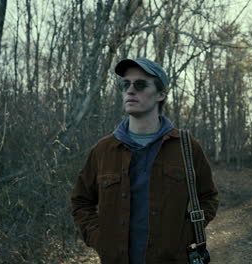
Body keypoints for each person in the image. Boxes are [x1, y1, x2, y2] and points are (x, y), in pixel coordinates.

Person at [70, 58, 219, 264]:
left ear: (161, 94)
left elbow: (208, 197)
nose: (130, 90)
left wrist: (186, 234)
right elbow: (81, 201)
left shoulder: (186, 147)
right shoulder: (103, 150)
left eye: (140, 85)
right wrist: (99, 238)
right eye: (125, 84)